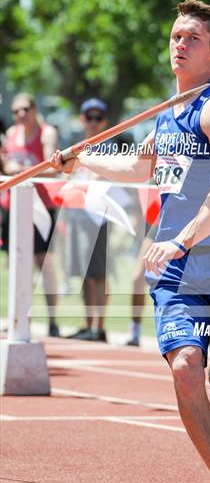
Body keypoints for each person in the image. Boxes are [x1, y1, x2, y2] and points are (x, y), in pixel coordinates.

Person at [51, 0, 210, 483]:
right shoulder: (169, 113)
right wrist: (80, 158)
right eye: (176, 36)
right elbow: (142, 166)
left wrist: (184, 238)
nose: (179, 45)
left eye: (192, 39)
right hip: (177, 271)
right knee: (184, 367)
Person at [0, 92, 60, 337]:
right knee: (16, 263)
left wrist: (21, 171)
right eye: (16, 111)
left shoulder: (47, 133)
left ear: (34, 109)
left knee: (44, 264)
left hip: (41, 206)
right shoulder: (11, 135)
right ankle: (18, 316)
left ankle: (53, 321)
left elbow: (53, 167)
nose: (21, 115)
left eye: (25, 109)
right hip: (12, 206)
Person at [66, 98, 111, 342]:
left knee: (98, 273)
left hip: (99, 216)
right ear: (82, 119)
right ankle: (88, 324)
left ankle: (99, 327)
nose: (93, 123)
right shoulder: (78, 145)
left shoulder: (109, 147)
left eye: (98, 118)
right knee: (84, 272)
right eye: (88, 117)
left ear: (104, 121)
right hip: (78, 214)